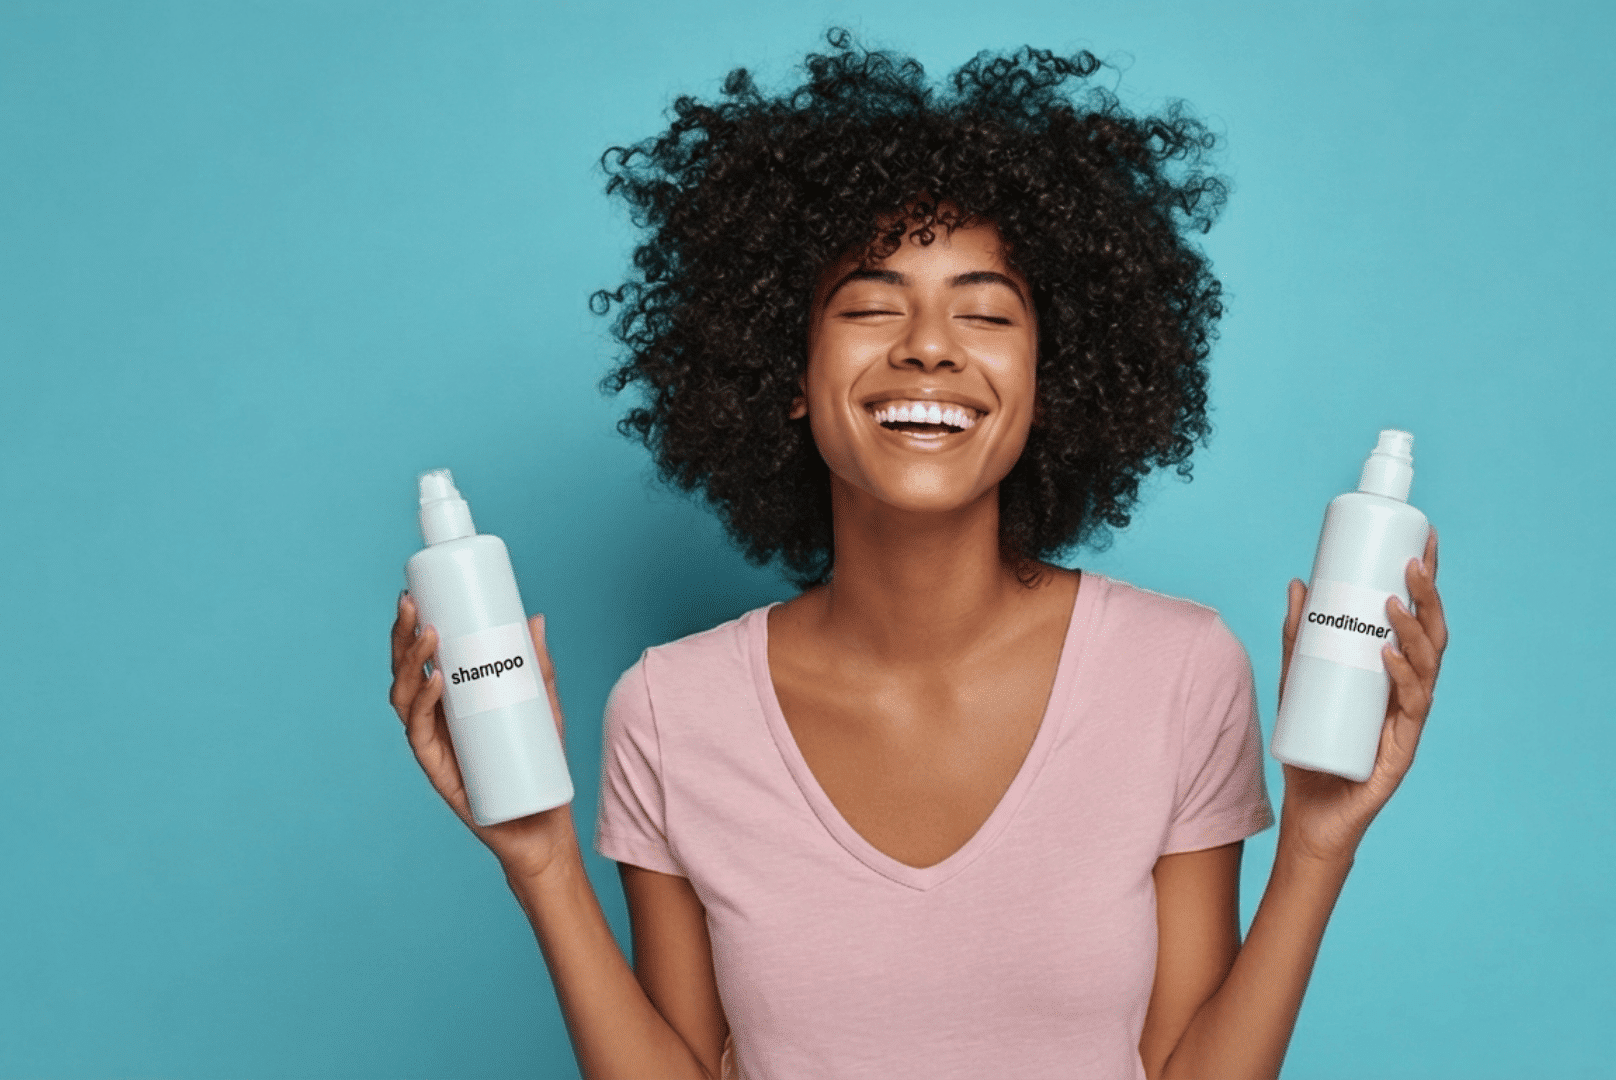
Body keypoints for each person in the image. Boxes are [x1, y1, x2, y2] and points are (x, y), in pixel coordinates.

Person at [388, 31, 1447, 1080]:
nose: (929, 345)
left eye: (986, 311)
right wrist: (538, 860)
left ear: (1053, 377)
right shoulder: (670, 711)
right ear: (786, 375)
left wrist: (1316, 841)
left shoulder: (1178, 673)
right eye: (870, 305)